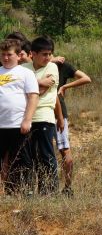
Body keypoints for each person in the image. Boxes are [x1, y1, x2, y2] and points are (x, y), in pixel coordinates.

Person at [22, 36, 63, 195]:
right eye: (44, 54)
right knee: (28, 157)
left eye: (50, 54)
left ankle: (50, 192)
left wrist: (28, 83)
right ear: (33, 53)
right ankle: (29, 191)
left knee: (46, 156)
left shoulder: (52, 67)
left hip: (44, 116)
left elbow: (39, 91)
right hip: (26, 118)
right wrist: (38, 81)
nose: (48, 58)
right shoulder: (24, 67)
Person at [0, 39, 39, 193]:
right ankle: (8, 192)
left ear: (18, 55)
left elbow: (33, 97)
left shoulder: (26, 73)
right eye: (3, 54)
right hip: (0, 125)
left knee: (21, 160)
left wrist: (27, 120)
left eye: (9, 54)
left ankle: (25, 191)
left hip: (18, 124)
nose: (5, 58)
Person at [52, 53, 91, 195]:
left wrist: (65, 87)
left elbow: (86, 78)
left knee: (64, 150)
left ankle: (67, 187)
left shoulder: (61, 65)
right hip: (41, 113)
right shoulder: (39, 64)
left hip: (58, 113)